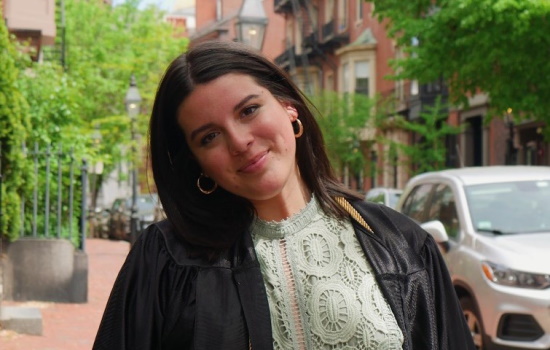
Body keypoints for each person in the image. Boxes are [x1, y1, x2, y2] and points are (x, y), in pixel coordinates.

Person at [93, 40, 475, 350]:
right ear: (198, 164)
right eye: (209, 137)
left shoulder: (401, 245)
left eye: (249, 110)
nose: (240, 142)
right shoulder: (166, 261)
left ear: (289, 108)